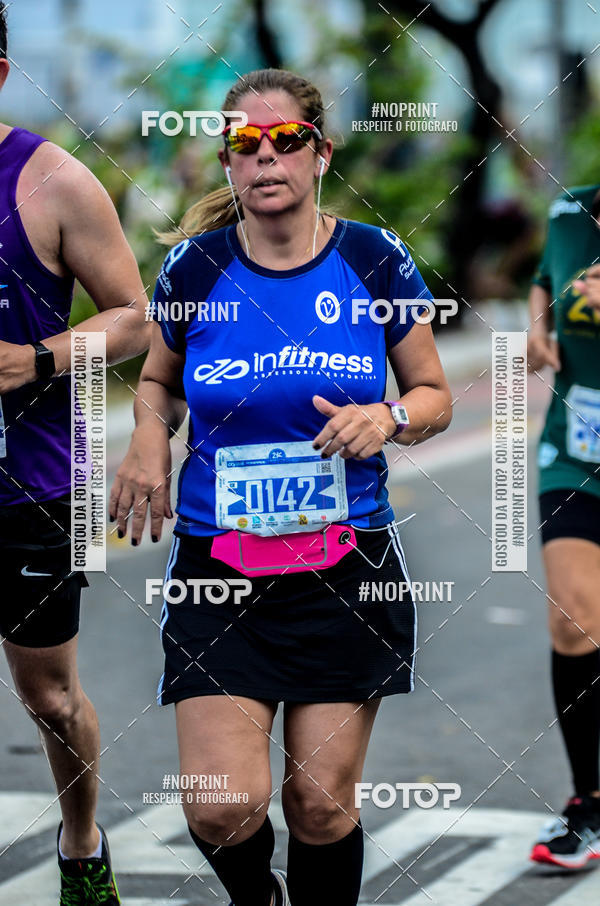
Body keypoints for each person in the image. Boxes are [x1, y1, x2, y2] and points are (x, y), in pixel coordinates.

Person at [110, 68, 452, 906]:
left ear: (320, 154)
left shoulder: (373, 259)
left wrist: (389, 418)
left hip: (344, 568)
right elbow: (156, 382)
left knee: (319, 807)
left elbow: (434, 395)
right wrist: (149, 439)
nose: (265, 158)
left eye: (285, 140)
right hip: (218, 571)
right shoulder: (194, 269)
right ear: (227, 161)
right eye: (243, 143)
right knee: (222, 808)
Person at [0, 6, 151, 903]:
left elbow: (134, 316)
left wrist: (40, 357)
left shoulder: (53, 182)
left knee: (50, 699)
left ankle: (82, 843)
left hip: (27, 483)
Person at [527, 183, 600, 870]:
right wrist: (538, 326)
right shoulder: (569, 211)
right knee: (574, 620)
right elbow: (545, 282)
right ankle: (590, 802)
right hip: (575, 457)